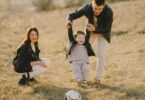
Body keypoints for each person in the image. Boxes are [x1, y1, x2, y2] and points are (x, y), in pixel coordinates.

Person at [66, 0, 113, 86]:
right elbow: (72, 15)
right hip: (90, 32)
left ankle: (97, 79)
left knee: (101, 54)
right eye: (95, 8)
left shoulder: (109, 11)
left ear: (104, 5)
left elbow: (107, 29)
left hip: (104, 34)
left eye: (100, 9)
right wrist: (69, 21)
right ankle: (80, 78)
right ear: (92, 3)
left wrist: (95, 29)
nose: (97, 11)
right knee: (82, 51)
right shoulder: (87, 8)